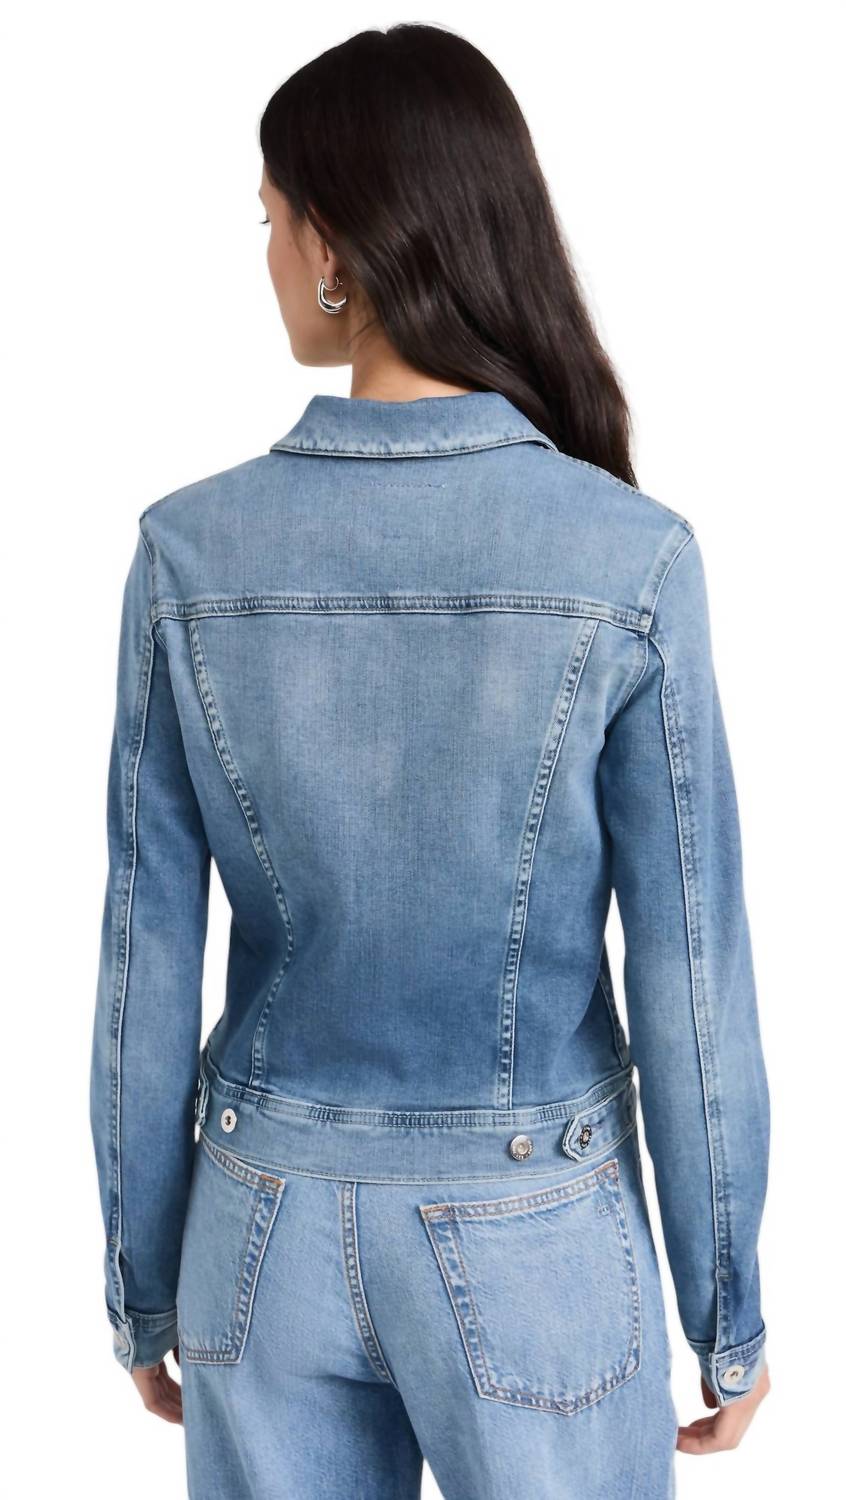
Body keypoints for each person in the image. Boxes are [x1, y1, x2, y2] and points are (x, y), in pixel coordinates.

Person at [88, 22, 771, 1499]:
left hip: (258, 1233)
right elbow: (691, 975)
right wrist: (728, 1313)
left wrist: (141, 1278)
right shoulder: (628, 557)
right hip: (535, 1234)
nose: (270, 258)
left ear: (333, 244)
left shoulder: (186, 553)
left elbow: (144, 959)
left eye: (268, 223)